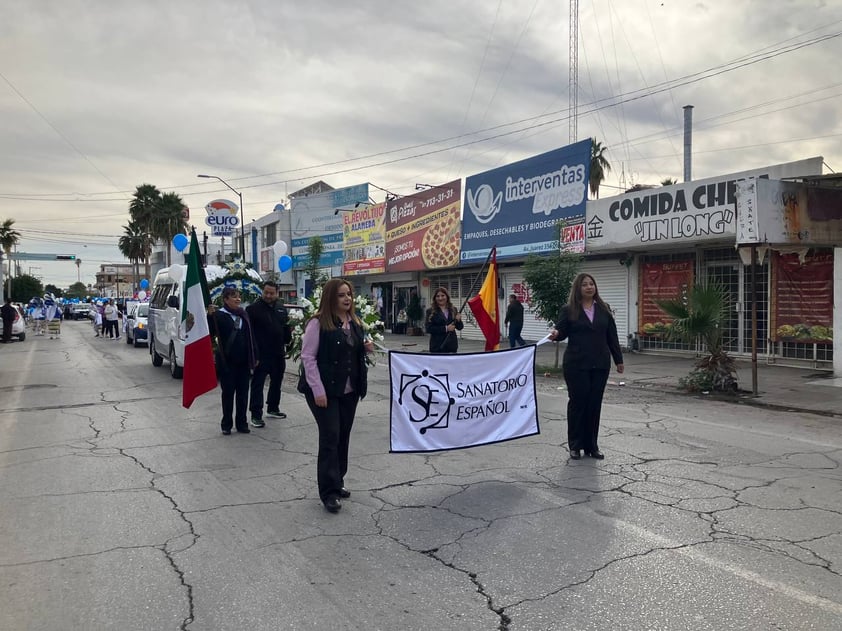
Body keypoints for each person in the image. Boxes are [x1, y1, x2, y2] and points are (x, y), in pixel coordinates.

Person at [299, 278, 373, 513]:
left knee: (343, 436)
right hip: (325, 391)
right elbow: (308, 358)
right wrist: (318, 390)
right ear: (331, 297)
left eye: (349, 294)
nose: (347, 298)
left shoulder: (354, 322)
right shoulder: (318, 323)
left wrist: (366, 346)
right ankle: (328, 492)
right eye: (342, 295)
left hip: (349, 391)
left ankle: (338, 480)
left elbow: (354, 351)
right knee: (330, 437)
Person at [549, 273, 624, 460]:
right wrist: (556, 334)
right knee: (578, 403)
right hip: (576, 364)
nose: (589, 287)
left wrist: (618, 360)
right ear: (578, 289)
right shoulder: (569, 310)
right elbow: (562, 331)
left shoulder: (604, 309)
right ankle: (575, 445)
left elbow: (612, 336)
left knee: (594, 404)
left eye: (592, 284)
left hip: (600, 364)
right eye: (585, 285)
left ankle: (592, 446)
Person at [208, 287, 258, 435]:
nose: (238, 299)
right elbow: (210, 332)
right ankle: (226, 424)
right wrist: (210, 317)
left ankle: (242, 423)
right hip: (227, 363)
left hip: (243, 363)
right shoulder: (219, 316)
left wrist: (255, 356)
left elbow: (251, 337)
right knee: (228, 395)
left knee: (243, 395)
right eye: (233, 297)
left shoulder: (243, 315)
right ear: (225, 299)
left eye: (238, 296)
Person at [246, 281, 292, 428]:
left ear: (277, 293)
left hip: (278, 353)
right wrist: (254, 355)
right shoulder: (252, 309)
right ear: (262, 291)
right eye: (266, 292)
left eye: (272, 293)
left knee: (277, 382)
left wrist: (289, 342)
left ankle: (273, 408)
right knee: (258, 384)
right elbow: (249, 334)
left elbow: (286, 328)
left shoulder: (281, 308)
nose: (268, 295)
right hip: (261, 355)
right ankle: (255, 414)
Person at [425, 287, 463, 353]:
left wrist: (459, 320)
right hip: (437, 347)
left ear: (447, 297)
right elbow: (428, 328)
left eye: (443, 295)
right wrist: (446, 328)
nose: (440, 298)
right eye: (438, 296)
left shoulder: (453, 310)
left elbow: (460, 327)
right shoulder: (430, 311)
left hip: (451, 346)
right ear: (435, 298)